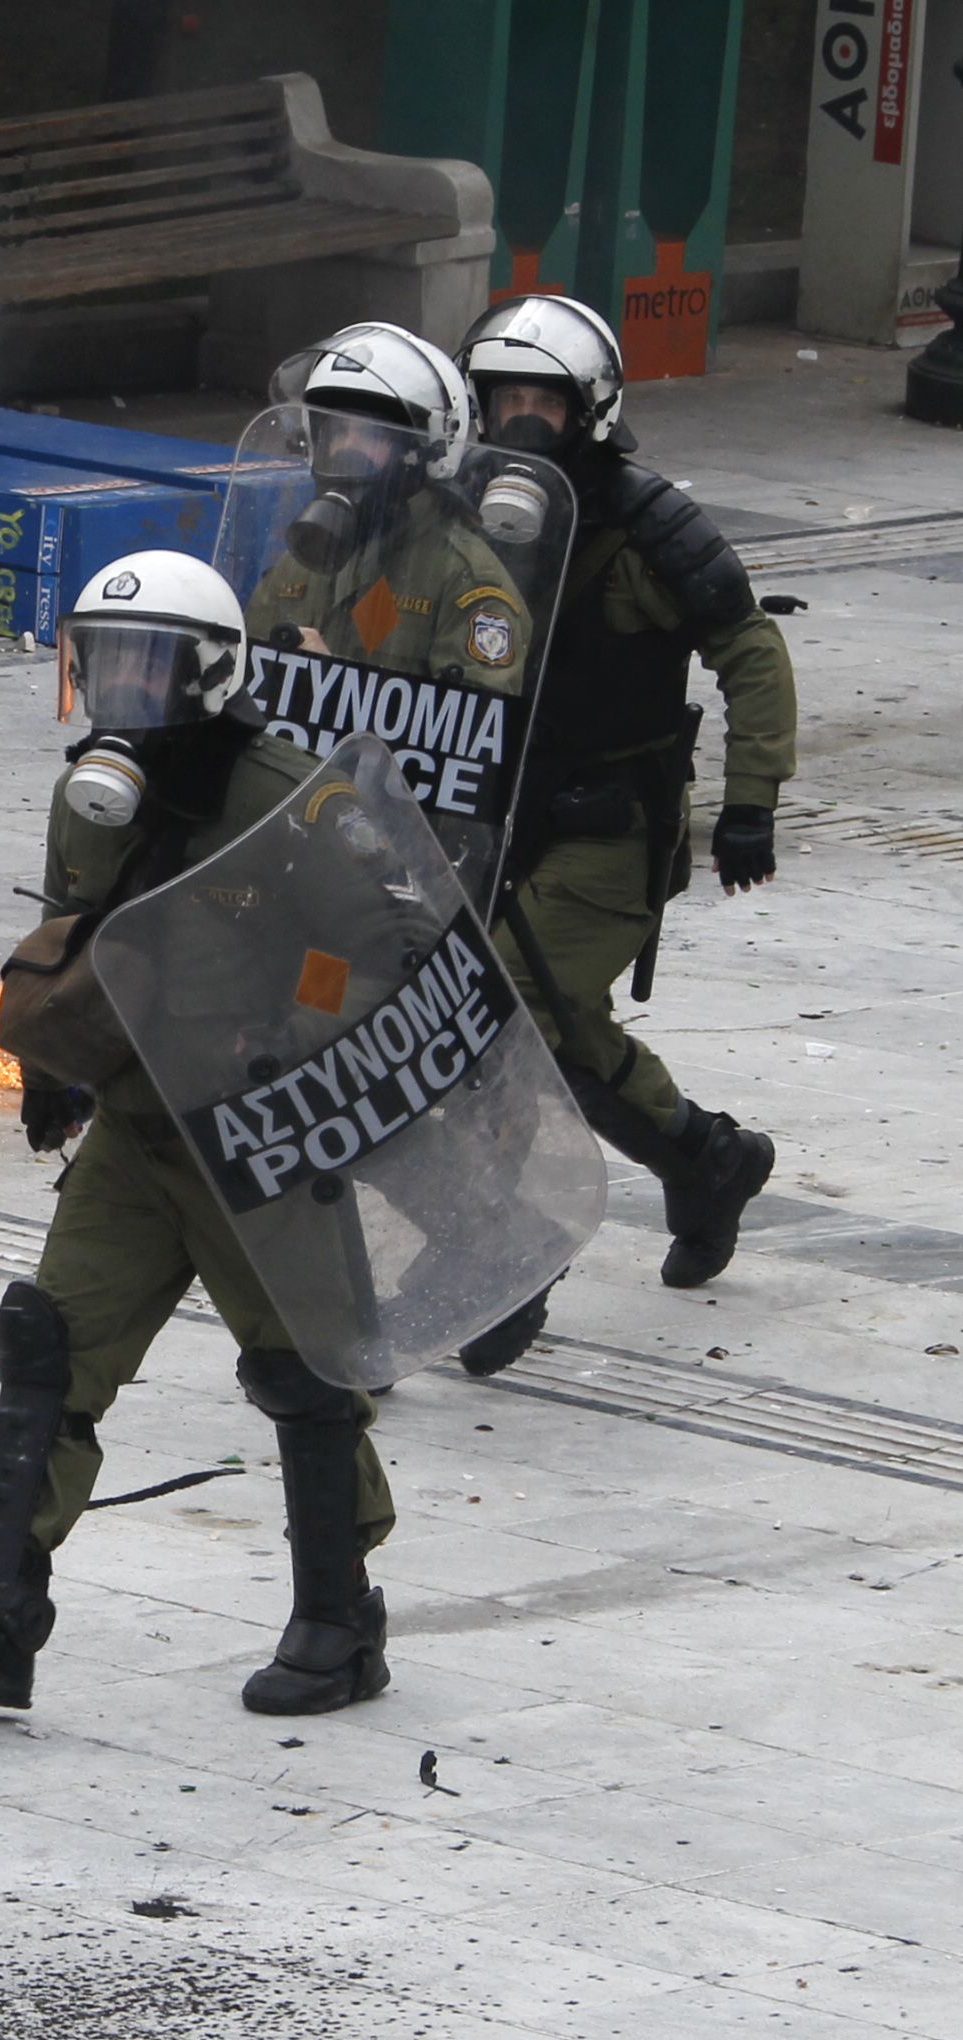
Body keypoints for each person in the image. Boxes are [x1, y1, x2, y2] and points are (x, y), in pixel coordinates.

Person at [0, 551, 397, 1719]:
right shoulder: (90, 796)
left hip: (258, 1135)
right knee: (49, 1342)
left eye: (148, 669)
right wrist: (60, 1062)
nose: (122, 695)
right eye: (103, 666)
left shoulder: (294, 800)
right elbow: (88, 928)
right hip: (141, 1128)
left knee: (299, 1373)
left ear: (209, 675)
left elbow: (385, 951)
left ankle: (338, 1618)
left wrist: (290, 1026)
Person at [450, 295, 796, 1374]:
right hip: (491, 818)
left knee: (503, 1016)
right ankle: (707, 1160)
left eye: (541, 399)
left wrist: (749, 804)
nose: (520, 420)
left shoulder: (648, 529)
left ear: (588, 408)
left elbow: (747, 648)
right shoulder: (453, 518)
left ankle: (511, 1261)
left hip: (610, 829)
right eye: (501, 396)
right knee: (553, 1029)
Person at [242, 320, 533, 694]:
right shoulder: (304, 557)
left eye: (371, 435)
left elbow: (478, 738)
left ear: (424, 451)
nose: (348, 448)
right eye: (337, 431)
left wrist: (333, 687)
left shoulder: (467, 583)